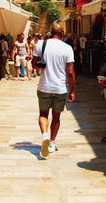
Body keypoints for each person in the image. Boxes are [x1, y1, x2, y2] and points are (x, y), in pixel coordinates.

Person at [32, 21, 75, 158]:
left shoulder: (40, 44)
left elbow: (34, 63)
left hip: (44, 86)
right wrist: (72, 90)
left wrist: (41, 65)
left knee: (43, 115)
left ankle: (45, 136)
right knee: (56, 117)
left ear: (51, 32)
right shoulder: (67, 48)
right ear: (62, 34)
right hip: (60, 88)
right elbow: (70, 72)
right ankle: (51, 143)